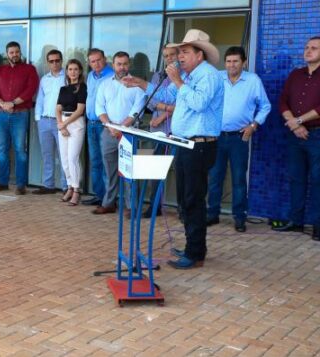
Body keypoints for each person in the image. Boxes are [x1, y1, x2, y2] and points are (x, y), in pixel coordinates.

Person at [136, 29, 224, 269]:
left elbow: (198, 103)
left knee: (193, 199)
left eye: (185, 52)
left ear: (199, 54)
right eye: (179, 52)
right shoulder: (188, 75)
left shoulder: (208, 76)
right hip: (184, 143)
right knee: (186, 199)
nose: (180, 57)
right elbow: (165, 95)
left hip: (200, 145)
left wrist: (177, 81)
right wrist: (141, 83)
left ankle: (195, 254)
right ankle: (192, 247)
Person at [207, 46, 271, 232]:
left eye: (235, 61)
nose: (231, 65)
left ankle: (239, 217)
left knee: (238, 179)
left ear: (244, 62)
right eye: (228, 61)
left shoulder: (253, 81)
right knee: (215, 177)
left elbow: (265, 106)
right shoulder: (217, 78)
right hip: (216, 136)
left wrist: (253, 126)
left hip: (239, 137)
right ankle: (212, 214)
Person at [121, 45, 179, 218]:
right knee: (154, 171)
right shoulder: (158, 75)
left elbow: (182, 104)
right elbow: (151, 101)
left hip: (174, 130)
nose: (169, 58)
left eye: (172, 55)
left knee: (179, 172)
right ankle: (155, 207)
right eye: (166, 56)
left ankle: (182, 209)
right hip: (156, 130)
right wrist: (165, 108)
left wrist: (163, 115)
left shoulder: (183, 77)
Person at [276, 36, 320, 241]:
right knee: (296, 179)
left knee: (318, 180)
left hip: (317, 135)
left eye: (314, 48)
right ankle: (296, 221)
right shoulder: (296, 74)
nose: (308, 51)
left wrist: (299, 121)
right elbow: (283, 100)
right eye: (306, 47)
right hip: (295, 136)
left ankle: (318, 226)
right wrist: (294, 123)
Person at [92, 52, 146, 215]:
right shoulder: (105, 84)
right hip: (108, 132)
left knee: (129, 171)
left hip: (129, 133)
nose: (122, 67)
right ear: (113, 65)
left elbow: (137, 111)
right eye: (118, 64)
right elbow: (99, 108)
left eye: (125, 64)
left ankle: (132, 207)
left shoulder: (137, 86)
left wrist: (120, 128)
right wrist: (110, 127)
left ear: (129, 65)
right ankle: (109, 203)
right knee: (109, 171)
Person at [0, 41, 39, 195]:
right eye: (11, 52)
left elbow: (31, 89)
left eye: (17, 52)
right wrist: (1, 103)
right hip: (1, 115)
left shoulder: (29, 69)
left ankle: (20, 184)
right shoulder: (0, 70)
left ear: (20, 52)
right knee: (2, 149)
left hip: (20, 114)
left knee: (19, 149)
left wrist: (12, 103)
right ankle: (3, 182)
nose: (14, 55)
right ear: (7, 54)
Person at [82, 48, 114, 206]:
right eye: (93, 61)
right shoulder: (90, 76)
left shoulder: (112, 76)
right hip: (91, 123)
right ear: (89, 63)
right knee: (95, 162)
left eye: (99, 60)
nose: (96, 64)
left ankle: (110, 200)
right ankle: (100, 196)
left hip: (105, 125)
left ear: (105, 59)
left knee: (107, 162)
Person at [33, 49, 67, 195]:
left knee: (64, 155)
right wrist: (38, 118)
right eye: (51, 61)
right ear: (47, 63)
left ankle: (67, 187)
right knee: (47, 154)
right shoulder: (44, 79)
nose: (55, 63)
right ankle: (49, 185)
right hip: (45, 121)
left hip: (61, 122)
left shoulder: (67, 77)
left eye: (57, 60)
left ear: (61, 61)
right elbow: (40, 99)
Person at [56, 59, 87, 206]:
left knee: (73, 158)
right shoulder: (63, 89)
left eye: (75, 69)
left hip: (76, 123)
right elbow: (58, 108)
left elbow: (80, 110)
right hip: (63, 122)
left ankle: (76, 191)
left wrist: (65, 124)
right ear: (67, 71)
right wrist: (60, 125)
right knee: (64, 159)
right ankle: (69, 186)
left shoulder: (82, 88)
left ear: (80, 71)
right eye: (70, 69)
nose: (73, 72)